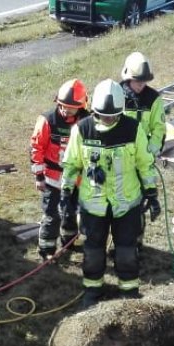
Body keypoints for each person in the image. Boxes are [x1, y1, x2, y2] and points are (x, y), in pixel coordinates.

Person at [60, 79, 158, 307]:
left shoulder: (133, 129)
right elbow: (72, 164)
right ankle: (93, 291)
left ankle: (129, 292)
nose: (109, 119)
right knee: (93, 251)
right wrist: (65, 192)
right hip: (93, 205)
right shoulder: (82, 130)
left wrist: (151, 194)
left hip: (126, 205)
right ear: (94, 110)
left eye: (113, 115)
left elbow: (145, 164)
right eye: (104, 115)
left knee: (126, 251)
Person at [30, 79, 88, 260]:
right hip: (51, 179)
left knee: (72, 212)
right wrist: (39, 176)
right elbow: (36, 148)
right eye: (62, 105)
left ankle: (69, 241)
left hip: (75, 179)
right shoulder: (48, 121)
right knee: (51, 215)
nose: (65, 110)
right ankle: (47, 250)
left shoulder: (87, 121)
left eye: (70, 107)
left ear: (81, 106)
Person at [120, 52, 166, 156]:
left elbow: (159, 128)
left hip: (144, 151)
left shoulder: (153, 99)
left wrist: (150, 151)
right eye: (137, 80)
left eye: (144, 81)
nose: (141, 84)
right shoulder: (116, 94)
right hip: (120, 151)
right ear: (128, 78)